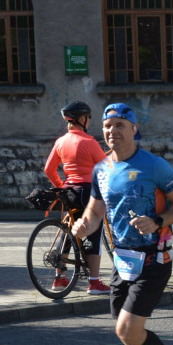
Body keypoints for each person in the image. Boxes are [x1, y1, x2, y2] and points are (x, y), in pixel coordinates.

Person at [71, 103, 173, 345]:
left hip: (155, 258)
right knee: (124, 332)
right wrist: (84, 224)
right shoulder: (101, 170)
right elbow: (96, 211)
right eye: (107, 126)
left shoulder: (154, 166)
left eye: (119, 125)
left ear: (134, 129)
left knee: (129, 326)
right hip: (122, 262)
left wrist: (158, 220)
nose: (112, 131)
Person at [44, 102, 111, 295]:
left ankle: (59, 278)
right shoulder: (89, 142)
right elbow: (107, 168)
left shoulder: (60, 142)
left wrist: (61, 186)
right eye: (88, 118)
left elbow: (49, 169)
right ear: (83, 119)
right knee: (93, 233)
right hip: (87, 191)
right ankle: (95, 282)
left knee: (68, 232)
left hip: (68, 191)